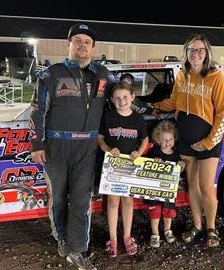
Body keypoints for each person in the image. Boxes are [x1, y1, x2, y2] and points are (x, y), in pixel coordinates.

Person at [29, 23, 109, 270]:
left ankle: (78, 249)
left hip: (87, 148)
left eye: (87, 41)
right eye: (77, 40)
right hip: (56, 146)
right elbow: (37, 110)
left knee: (82, 200)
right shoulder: (50, 74)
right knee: (58, 198)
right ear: (69, 45)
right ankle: (60, 238)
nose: (82, 45)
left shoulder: (103, 74)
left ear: (93, 47)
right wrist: (37, 143)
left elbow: (119, 102)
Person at [153, 34, 224, 248]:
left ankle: (211, 228)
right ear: (186, 52)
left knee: (206, 187)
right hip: (185, 140)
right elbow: (175, 101)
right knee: (192, 186)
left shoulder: (215, 76)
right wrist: (157, 106)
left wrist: (208, 142)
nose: (195, 54)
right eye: (192, 50)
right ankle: (197, 225)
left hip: (207, 141)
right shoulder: (182, 74)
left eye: (200, 50)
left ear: (207, 53)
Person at [97, 81, 149, 257]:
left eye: (125, 97)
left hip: (130, 166)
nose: (122, 101)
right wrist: (109, 150)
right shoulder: (108, 117)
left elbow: (145, 139)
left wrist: (139, 152)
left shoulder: (137, 118)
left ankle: (127, 236)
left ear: (133, 97)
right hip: (113, 165)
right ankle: (113, 239)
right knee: (112, 202)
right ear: (112, 99)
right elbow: (100, 138)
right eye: (117, 98)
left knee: (128, 201)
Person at [145, 120, 185, 248]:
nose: (168, 142)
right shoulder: (154, 152)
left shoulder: (176, 155)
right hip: (154, 190)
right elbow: (144, 167)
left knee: (168, 210)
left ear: (174, 139)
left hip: (168, 190)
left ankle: (168, 230)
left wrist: (181, 167)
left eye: (170, 139)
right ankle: (155, 234)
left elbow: (179, 173)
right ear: (157, 139)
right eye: (164, 140)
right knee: (154, 211)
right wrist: (153, 161)